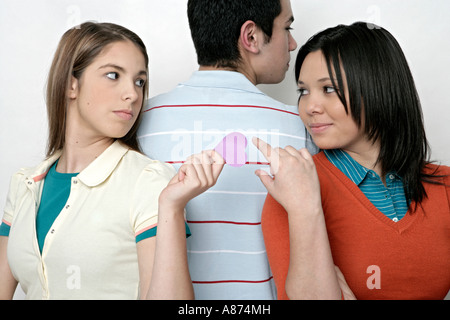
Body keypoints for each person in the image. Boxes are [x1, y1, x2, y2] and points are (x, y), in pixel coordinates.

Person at [0, 22, 224, 300]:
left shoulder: (149, 182)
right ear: (71, 85)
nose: (133, 94)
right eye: (113, 75)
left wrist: (171, 207)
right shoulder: (24, 184)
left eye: (139, 81)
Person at [255, 22, 450, 299]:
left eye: (328, 89)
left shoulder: (445, 186)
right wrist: (306, 209)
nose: (310, 107)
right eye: (304, 91)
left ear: (378, 87)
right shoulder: (292, 190)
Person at [137, 0, 311, 299]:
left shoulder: (138, 122)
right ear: (251, 37)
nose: (293, 43)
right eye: (287, 28)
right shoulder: (300, 128)